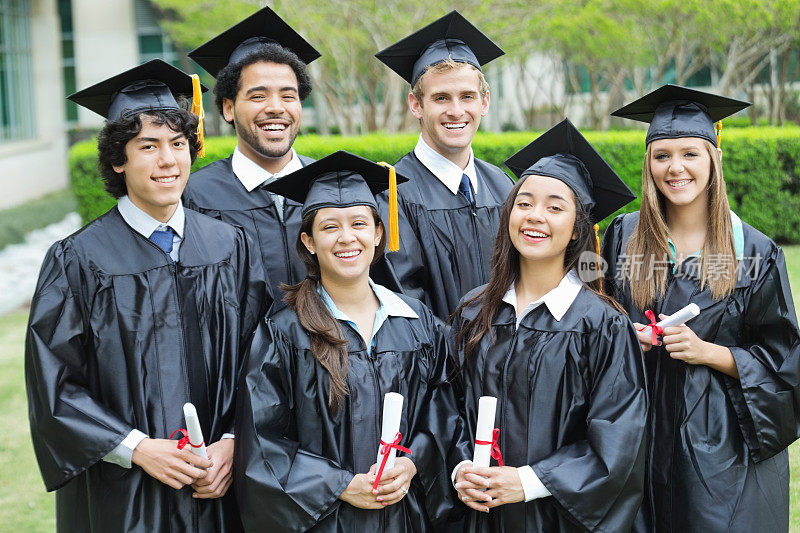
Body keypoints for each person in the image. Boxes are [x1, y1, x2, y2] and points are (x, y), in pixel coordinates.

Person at [25, 59, 268, 532]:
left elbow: (261, 358)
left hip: (220, 483)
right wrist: (137, 447)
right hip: (127, 494)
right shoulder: (78, 260)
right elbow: (55, 385)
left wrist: (235, 441)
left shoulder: (229, 245)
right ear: (119, 160)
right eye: (148, 146)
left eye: (178, 144)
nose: (168, 161)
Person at [604, 84, 800, 532]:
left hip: (724, 445)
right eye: (662, 155)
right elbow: (597, 322)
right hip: (641, 433)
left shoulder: (754, 250)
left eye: (690, 153)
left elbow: (785, 360)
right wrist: (625, 338)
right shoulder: (624, 237)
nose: (675, 168)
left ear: (715, 158)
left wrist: (706, 351)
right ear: (648, 163)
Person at [234, 151, 462, 531]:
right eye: (329, 227)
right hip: (326, 520)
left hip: (405, 517)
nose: (346, 238)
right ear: (308, 241)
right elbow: (262, 440)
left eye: (359, 223)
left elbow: (446, 411)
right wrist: (340, 485)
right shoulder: (285, 332)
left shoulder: (418, 324)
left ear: (377, 233)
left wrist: (412, 462)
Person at [450, 119, 647, 531]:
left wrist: (526, 482)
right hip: (478, 516)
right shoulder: (474, 312)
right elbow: (444, 410)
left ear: (578, 227)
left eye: (555, 207)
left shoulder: (602, 327)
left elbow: (618, 440)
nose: (535, 216)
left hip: (559, 519)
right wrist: (459, 469)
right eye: (524, 203)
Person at [374, 11, 514, 320]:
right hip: (440, 364)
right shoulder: (394, 195)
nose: (456, 110)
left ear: (485, 102)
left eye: (467, 96)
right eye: (441, 98)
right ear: (416, 104)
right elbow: (406, 305)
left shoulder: (503, 186)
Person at [184, 6, 321, 304]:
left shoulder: (329, 186)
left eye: (288, 95)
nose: (276, 107)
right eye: (258, 96)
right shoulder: (194, 198)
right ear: (228, 108)